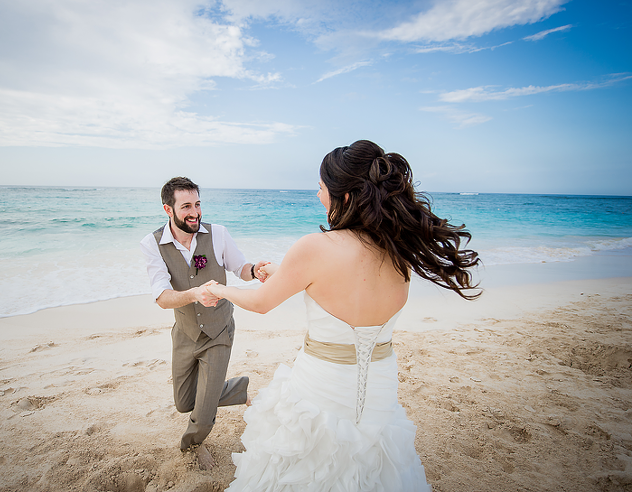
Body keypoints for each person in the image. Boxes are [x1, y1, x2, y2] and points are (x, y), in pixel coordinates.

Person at [207, 140, 480, 491]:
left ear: (345, 197)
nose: (318, 195)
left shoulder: (315, 248)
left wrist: (219, 289)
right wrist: (281, 270)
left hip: (323, 387)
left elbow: (260, 303)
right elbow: (342, 282)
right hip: (380, 387)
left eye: (321, 188)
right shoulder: (400, 253)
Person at [140, 176, 270, 470]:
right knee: (184, 402)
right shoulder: (152, 243)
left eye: (197, 204)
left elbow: (241, 268)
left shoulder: (218, 234)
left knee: (202, 410)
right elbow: (161, 296)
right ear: (167, 209)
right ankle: (240, 390)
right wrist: (194, 294)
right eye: (186, 206)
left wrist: (256, 270)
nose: (195, 212)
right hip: (185, 334)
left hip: (219, 330)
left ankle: (192, 445)